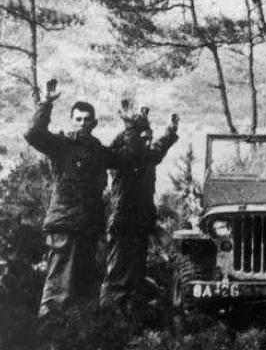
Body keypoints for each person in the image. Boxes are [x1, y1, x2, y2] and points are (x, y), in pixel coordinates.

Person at [24, 79, 125, 318]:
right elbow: (33, 134)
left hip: (88, 226)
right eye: (77, 119)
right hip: (65, 224)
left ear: (94, 123)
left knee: (82, 285)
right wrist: (46, 103)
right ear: (71, 120)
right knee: (58, 287)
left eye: (86, 120)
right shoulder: (61, 145)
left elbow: (125, 159)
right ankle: (49, 329)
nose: (82, 123)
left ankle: (76, 331)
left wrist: (131, 125)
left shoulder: (97, 150)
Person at [99, 101, 179, 316]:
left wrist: (171, 131)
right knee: (118, 271)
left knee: (136, 271)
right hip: (123, 221)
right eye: (143, 138)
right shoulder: (122, 157)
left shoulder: (146, 158)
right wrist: (131, 125)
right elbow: (132, 149)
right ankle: (110, 314)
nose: (147, 142)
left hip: (140, 222)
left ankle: (130, 313)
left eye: (148, 138)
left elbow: (159, 148)